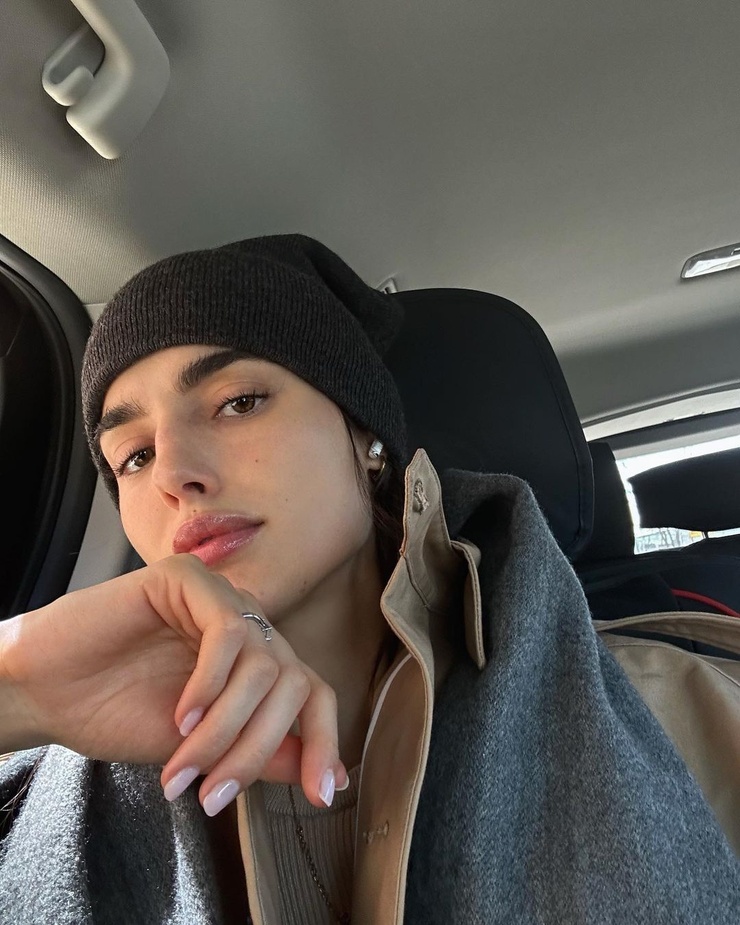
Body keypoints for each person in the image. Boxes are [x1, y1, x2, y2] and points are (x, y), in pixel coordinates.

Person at [0, 234, 738, 925]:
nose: (173, 473)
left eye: (238, 402)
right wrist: (17, 687)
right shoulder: (54, 760)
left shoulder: (683, 709)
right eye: (133, 456)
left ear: (366, 437)